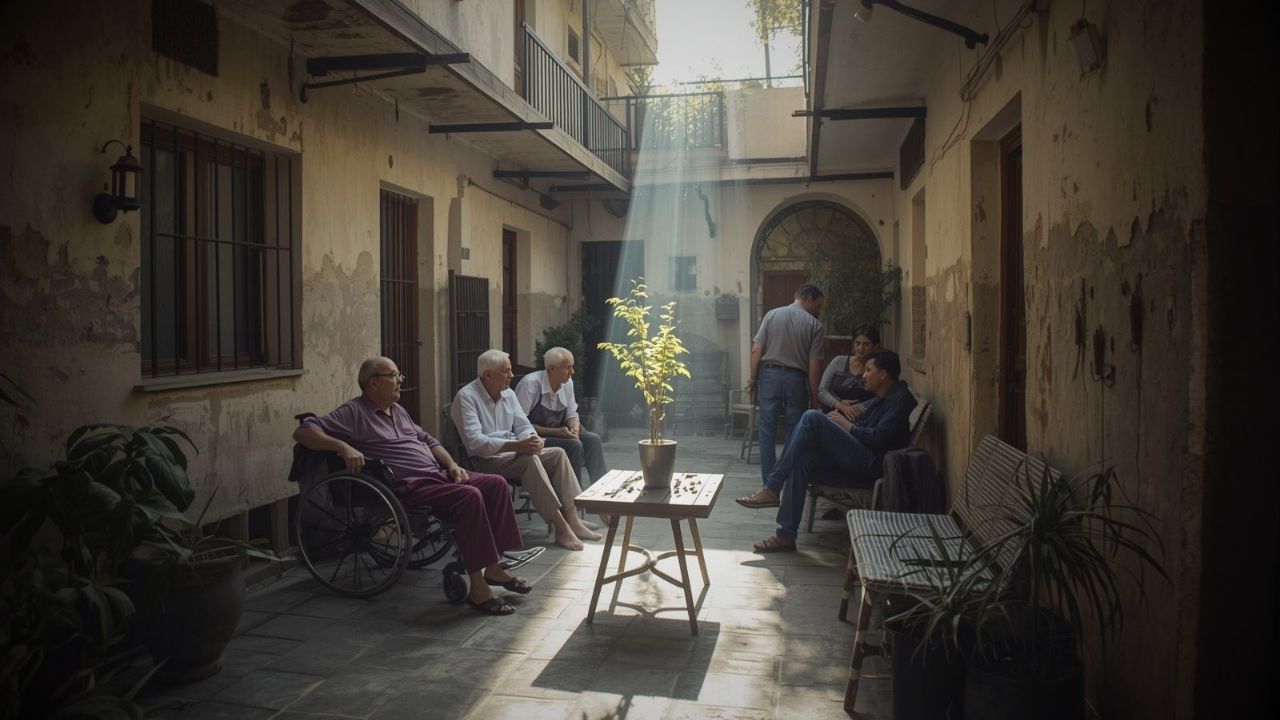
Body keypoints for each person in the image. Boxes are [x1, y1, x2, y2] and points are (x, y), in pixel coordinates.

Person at [293, 357, 530, 616]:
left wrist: (451, 465)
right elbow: (304, 431)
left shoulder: (398, 410)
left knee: (495, 484)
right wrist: (343, 446)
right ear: (373, 383)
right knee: (469, 496)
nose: (400, 380)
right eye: (394, 375)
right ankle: (478, 587)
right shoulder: (354, 412)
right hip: (406, 484)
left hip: (437, 474)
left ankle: (493, 566)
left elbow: (428, 439)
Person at [736, 350, 917, 552]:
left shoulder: (900, 399)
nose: (863, 375)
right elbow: (867, 425)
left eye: (868, 370)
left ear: (883, 374)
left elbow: (880, 438)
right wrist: (842, 422)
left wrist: (847, 426)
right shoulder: (882, 398)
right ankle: (785, 535)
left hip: (870, 464)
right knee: (802, 457)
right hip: (860, 454)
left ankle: (772, 487)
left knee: (812, 417)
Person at [451, 349, 601, 552]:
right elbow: (475, 443)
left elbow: (523, 426)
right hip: (485, 459)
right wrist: (516, 446)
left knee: (558, 453)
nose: (512, 376)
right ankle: (561, 527)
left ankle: (572, 518)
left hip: (511, 452)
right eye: (506, 371)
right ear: (487, 375)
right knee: (529, 461)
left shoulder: (508, 393)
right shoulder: (467, 397)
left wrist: (532, 440)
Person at [746, 284, 827, 489]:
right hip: (796, 380)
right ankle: (786, 480)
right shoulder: (815, 326)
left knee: (766, 431)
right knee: (794, 433)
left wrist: (753, 379)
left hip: (769, 376)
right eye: (817, 305)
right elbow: (815, 368)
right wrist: (815, 400)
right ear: (808, 298)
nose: (818, 310)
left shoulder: (772, 315)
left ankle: (769, 485)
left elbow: (757, 350)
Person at [514, 347, 608, 488]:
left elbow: (571, 412)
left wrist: (574, 428)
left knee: (593, 440)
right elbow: (519, 425)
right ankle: (574, 497)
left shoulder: (567, 382)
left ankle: (602, 494)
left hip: (562, 428)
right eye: (568, 367)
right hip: (537, 436)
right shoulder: (530, 384)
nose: (572, 372)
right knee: (574, 445)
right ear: (552, 369)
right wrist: (556, 432)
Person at [818, 324, 880, 416]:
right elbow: (822, 391)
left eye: (866, 344)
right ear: (853, 344)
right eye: (857, 343)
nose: (861, 348)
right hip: (829, 414)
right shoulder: (838, 361)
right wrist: (841, 405)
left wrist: (855, 409)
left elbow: (879, 397)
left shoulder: (877, 368)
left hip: (858, 419)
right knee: (810, 415)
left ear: (875, 347)